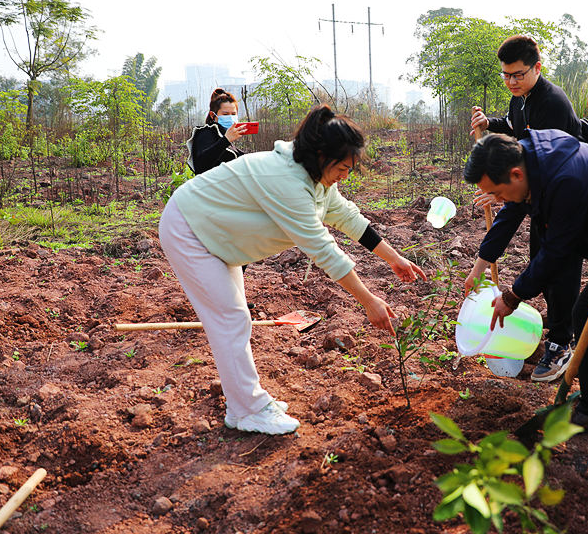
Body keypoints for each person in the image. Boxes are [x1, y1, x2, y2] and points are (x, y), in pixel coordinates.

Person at [159, 105, 426, 435]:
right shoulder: (285, 180)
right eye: (342, 167)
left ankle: (242, 407)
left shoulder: (317, 180)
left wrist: (394, 258)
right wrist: (369, 301)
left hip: (215, 234)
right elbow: (324, 249)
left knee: (232, 318)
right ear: (321, 155)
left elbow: (349, 218)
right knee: (230, 319)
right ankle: (250, 408)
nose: (345, 175)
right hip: (189, 229)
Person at [462, 130, 588, 430]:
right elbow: (509, 214)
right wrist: (480, 265)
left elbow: (556, 250)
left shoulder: (566, 178)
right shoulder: (530, 161)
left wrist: (513, 296)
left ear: (515, 174)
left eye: (499, 193)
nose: (499, 200)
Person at [468, 35, 583, 383]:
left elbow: (542, 166)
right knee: (541, 263)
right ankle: (560, 322)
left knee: (559, 264)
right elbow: (516, 126)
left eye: (518, 74)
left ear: (537, 68)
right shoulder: (520, 100)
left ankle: (563, 340)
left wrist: (504, 196)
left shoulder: (553, 104)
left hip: (571, 194)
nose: (511, 81)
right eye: (506, 75)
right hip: (538, 192)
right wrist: (492, 125)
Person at [186, 88, 250, 175]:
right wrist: (226, 140)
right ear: (213, 115)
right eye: (225, 114)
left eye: (233, 114)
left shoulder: (222, 135)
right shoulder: (205, 133)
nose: (230, 117)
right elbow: (201, 166)